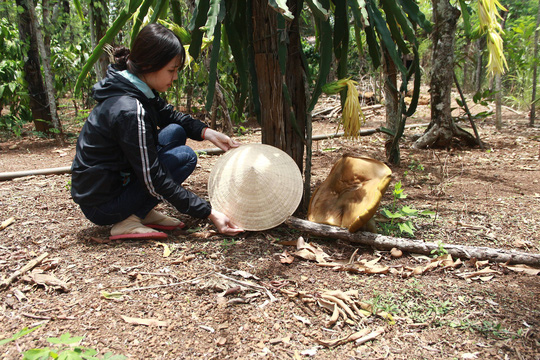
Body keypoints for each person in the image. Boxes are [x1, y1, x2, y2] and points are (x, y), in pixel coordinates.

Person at [71, 23, 243, 240]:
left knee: (175, 132)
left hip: (112, 182)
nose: (175, 77)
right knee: (184, 158)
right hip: (102, 205)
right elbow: (153, 178)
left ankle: (141, 210)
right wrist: (208, 212)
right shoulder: (130, 110)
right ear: (151, 65)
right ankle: (128, 219)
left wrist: (207, 132)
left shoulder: (134, 87)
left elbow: (170, 115)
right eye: (171, 70)